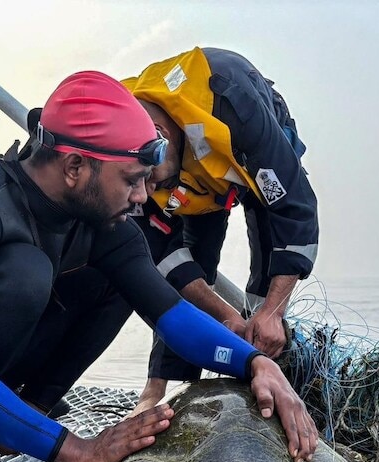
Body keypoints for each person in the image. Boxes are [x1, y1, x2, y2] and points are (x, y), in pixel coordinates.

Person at [0, 71, 318, 462]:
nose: (141, 198)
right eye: (132, 180)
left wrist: (253, 363)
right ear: (74, 168)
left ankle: (23, 415)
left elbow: (170, 314)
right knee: (25, 272)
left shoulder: (104, 223)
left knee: (116, 278)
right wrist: (78, 451)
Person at [121, 48, 319, 414]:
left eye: (147, 179)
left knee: (268, 261)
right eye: (136, 181)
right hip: (190, 182)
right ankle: (161, 385)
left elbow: (296, 209)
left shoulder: (240, 110)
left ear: (161, 136)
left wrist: (272, 312)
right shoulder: (130, 147)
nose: (143, 193)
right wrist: (226, 316)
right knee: (185, 267)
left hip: (244, 154)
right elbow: (166, 255)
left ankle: (263, 351)